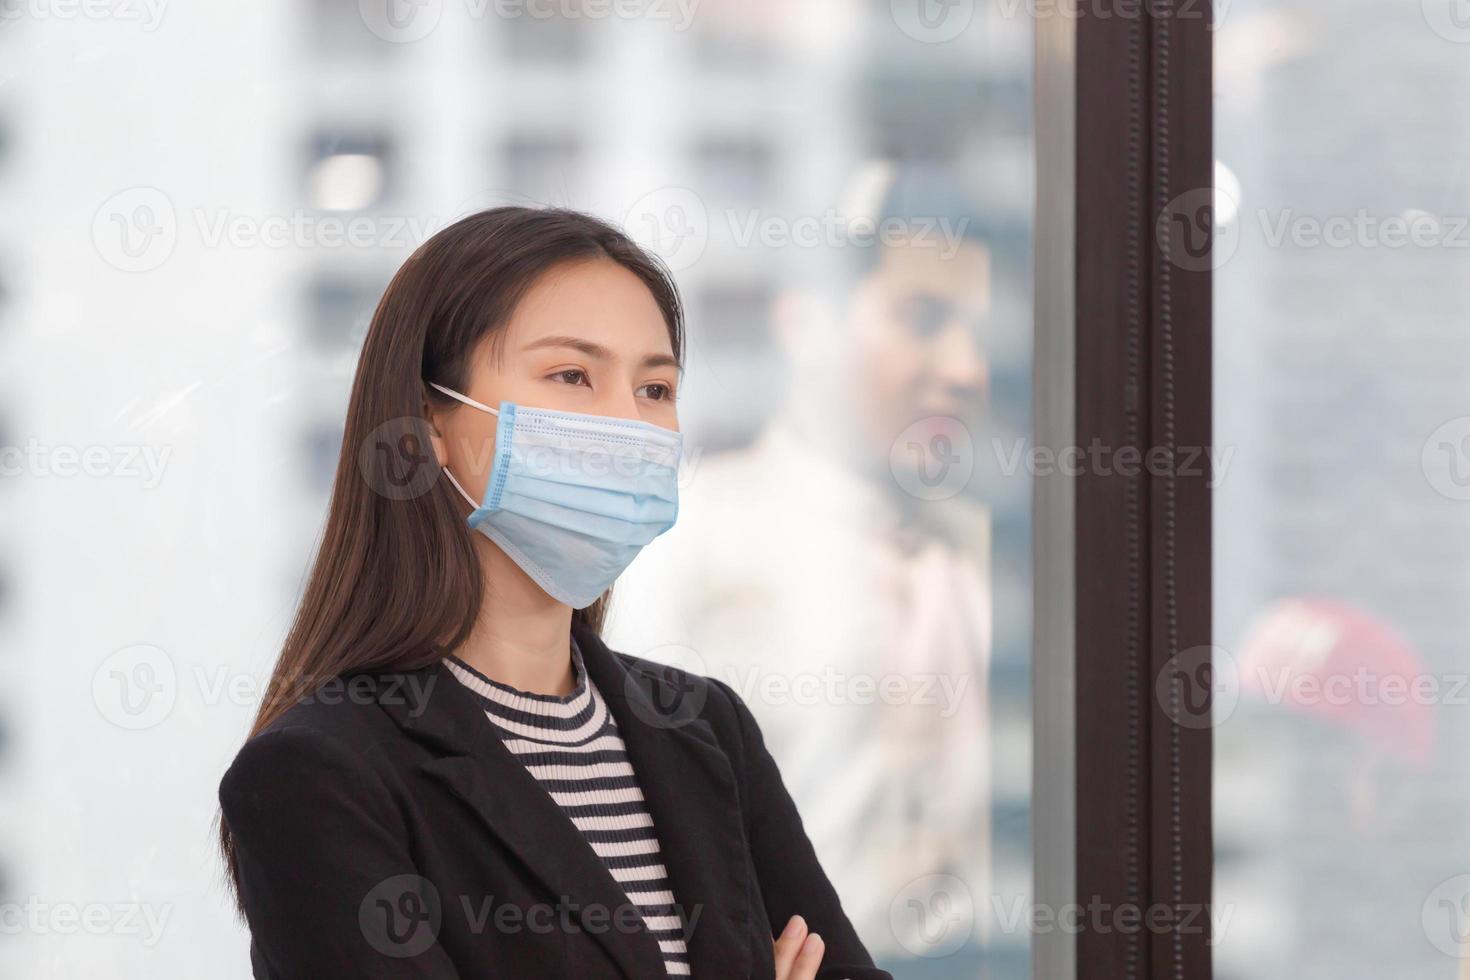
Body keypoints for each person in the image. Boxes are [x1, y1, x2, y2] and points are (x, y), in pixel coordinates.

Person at [216, 206, 890, 980]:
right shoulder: (317, 776)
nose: (626, 422)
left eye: (655, 387)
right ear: (429, 424)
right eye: (572, 375)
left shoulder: (707, 729)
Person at [607, 166, 1002, 974]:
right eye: (923, 319)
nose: (966, 369)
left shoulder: (985, 558)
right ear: (809, 325)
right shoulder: (691, 536)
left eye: (977, 332)